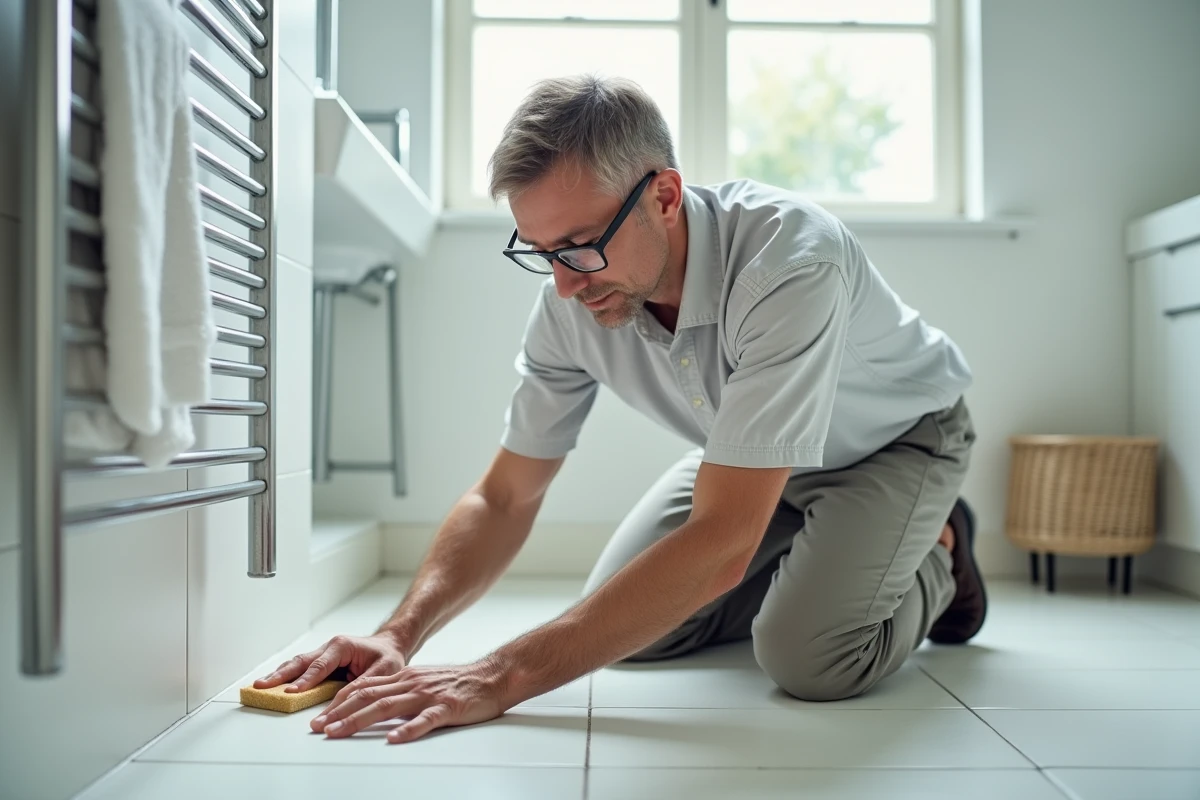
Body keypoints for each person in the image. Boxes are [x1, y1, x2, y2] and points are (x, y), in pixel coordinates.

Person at [254, 75, 987, 745]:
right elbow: (506, 496)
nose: (564, 285)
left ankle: (941, 549)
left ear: (664, 196)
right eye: (542, 252)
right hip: (754, 464)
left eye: (580, 246)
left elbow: (724, 542)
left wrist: (499, 675)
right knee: (638, 631)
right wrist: (398, 634)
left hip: (896, 445)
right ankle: (824, 561)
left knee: (808, 658)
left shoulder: (789, 264)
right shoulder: (569, 303)